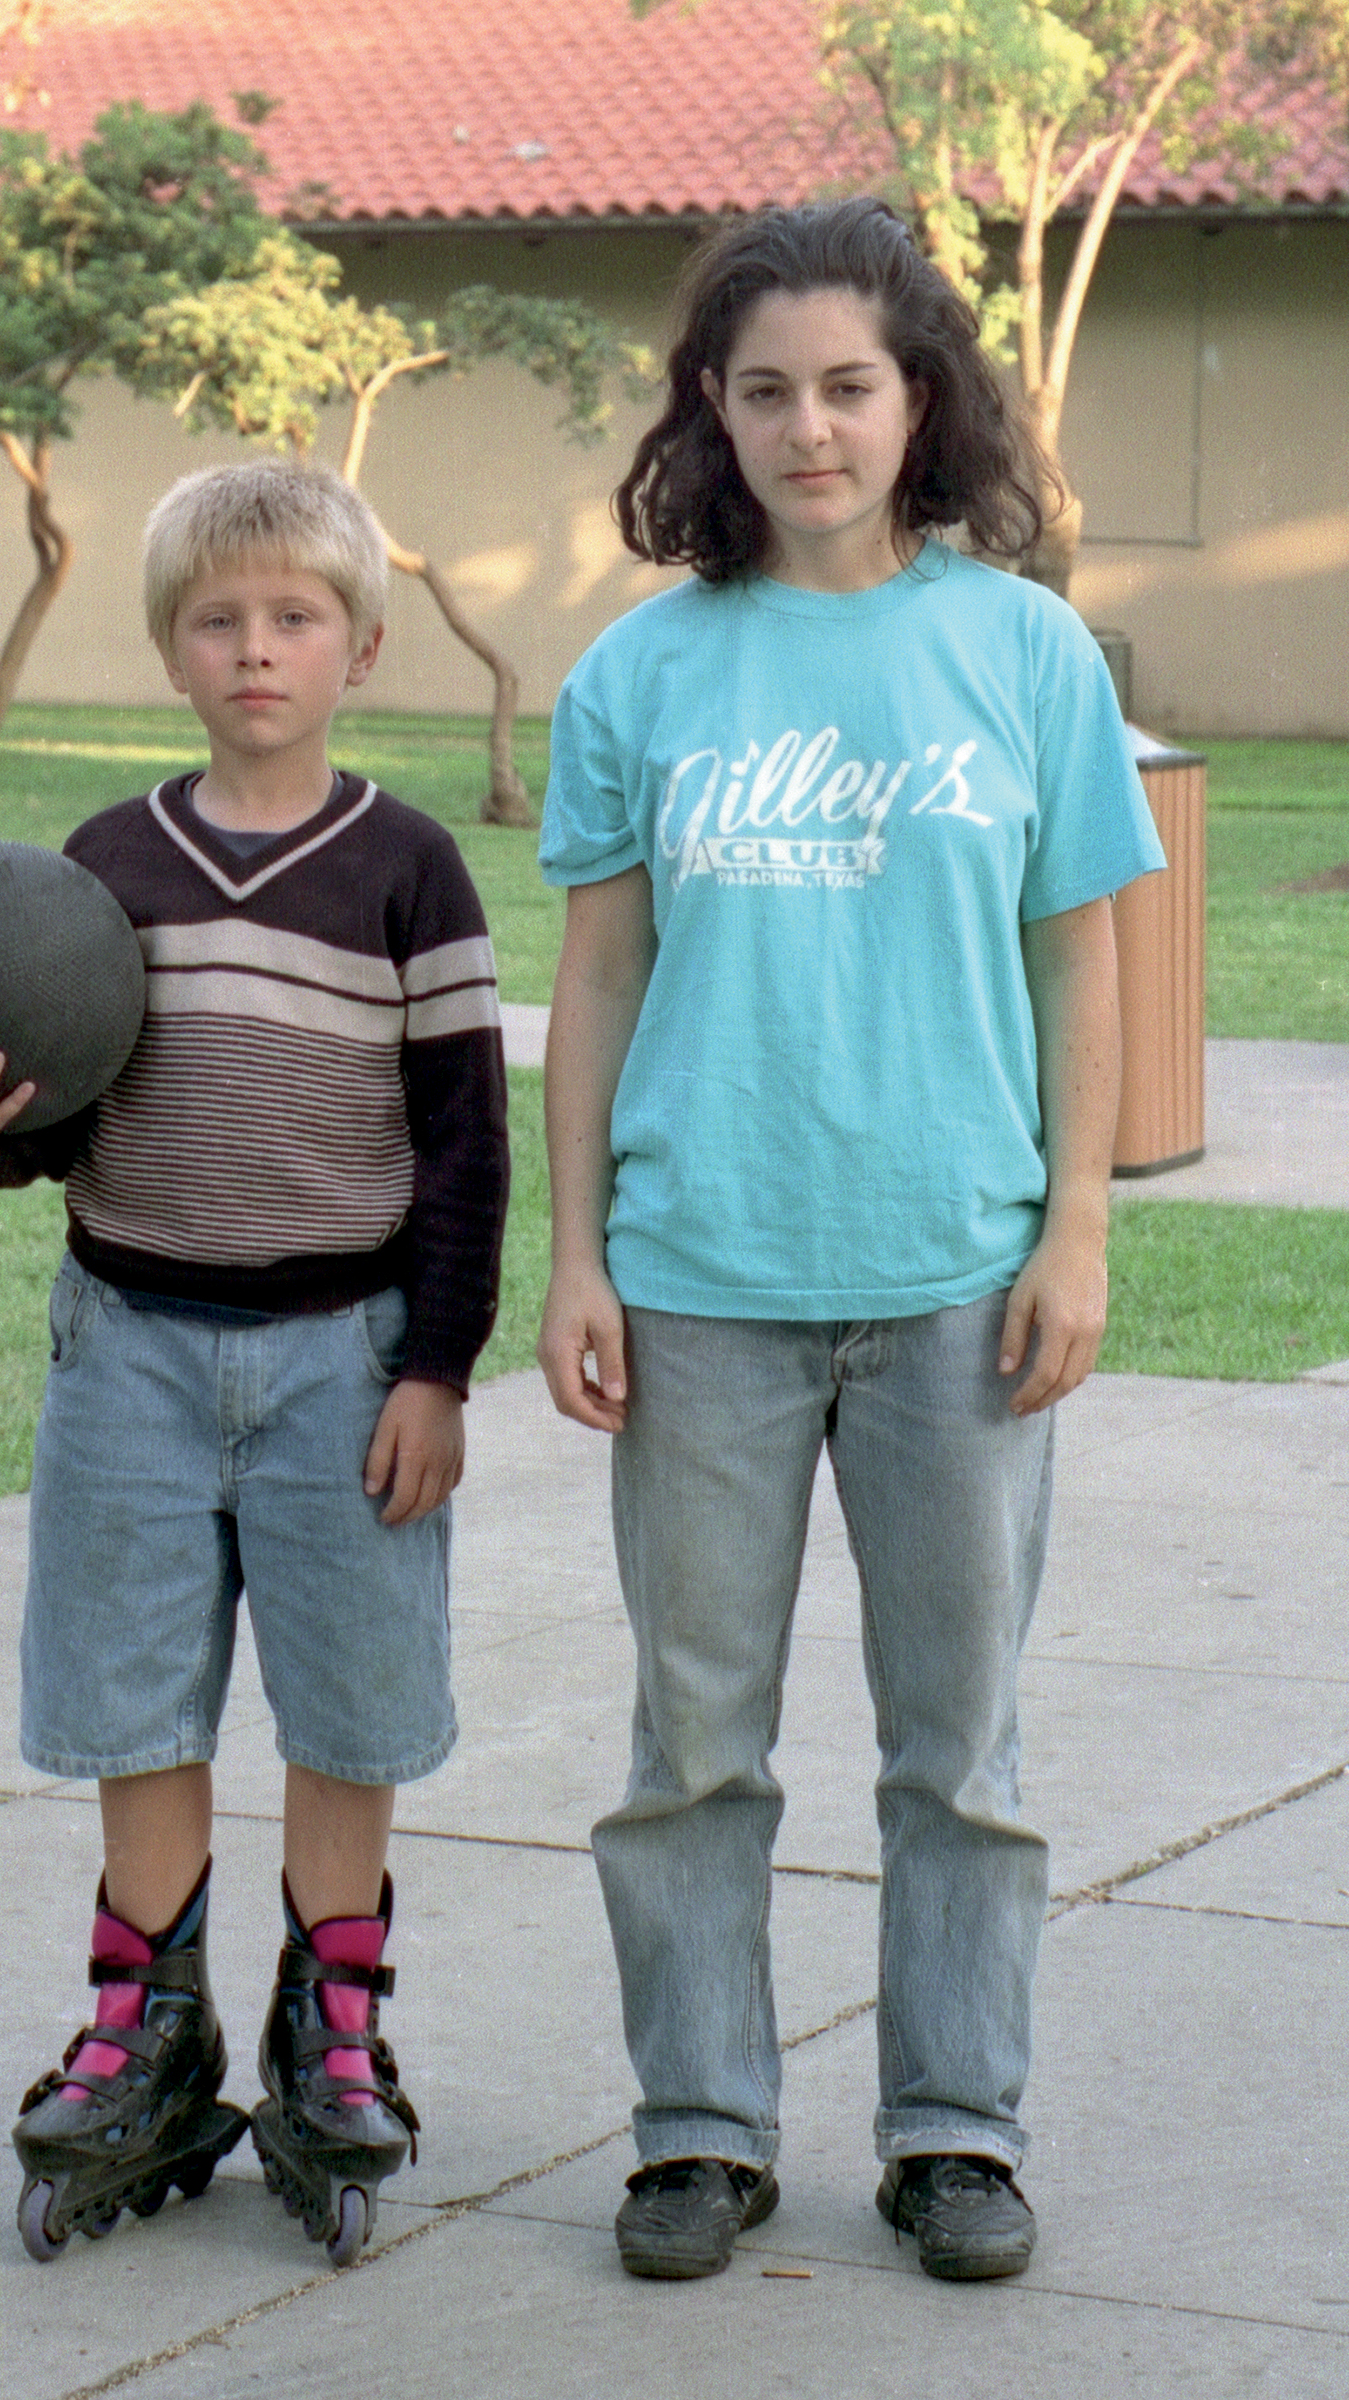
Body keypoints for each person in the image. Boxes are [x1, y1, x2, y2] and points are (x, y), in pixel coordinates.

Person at [536, 199, 1164, 2286]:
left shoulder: (1023, 649)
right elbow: (602, 980)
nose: (810, 426)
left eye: (850, 385)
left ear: (922, 401)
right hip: (704, 1275)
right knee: (694, 1741)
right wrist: (579, 1254)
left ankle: (955, 2129)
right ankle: (699, 2125)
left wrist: (1073, 1231)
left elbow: (1083, 968)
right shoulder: (643, 670)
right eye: (766, 387)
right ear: (710, 410)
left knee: (954, 1747)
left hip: (957, 1281)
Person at [0, 459, 509, 2267]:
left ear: (362, 643)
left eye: (294, 616)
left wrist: (437, 1367)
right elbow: (51, 1131)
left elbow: (464, 1141)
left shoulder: (407, 867)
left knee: (349, 1698)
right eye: (218, 620)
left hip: (345, 1354)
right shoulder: (104, 870)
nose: (256, 649)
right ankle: (144, 2020)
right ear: (169, 648)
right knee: (134, 1695)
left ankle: (337, 2020)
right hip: (132, 1347)